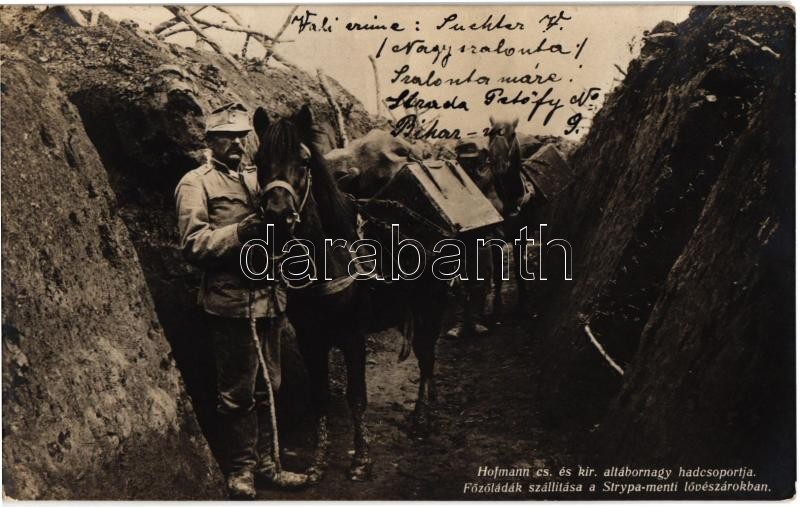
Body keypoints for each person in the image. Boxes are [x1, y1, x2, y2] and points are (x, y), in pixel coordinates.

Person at [174, 102, 306, 499]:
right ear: (210, 140)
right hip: (231, 303)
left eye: (241, 137)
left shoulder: (257, 177)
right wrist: (240, 232)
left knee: (271, 385)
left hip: (270, 300)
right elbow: (193, 245)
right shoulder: (195, 183)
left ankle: (269, 464)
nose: (236, 143)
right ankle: (241, 470)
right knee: (237, 394)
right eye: (226, 137)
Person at [445, 139, 496, 339]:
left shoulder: (486, 180)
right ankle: (459, 321)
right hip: (457, 237)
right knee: (457, 280)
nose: (468, 163)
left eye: (471, 159)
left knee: (480, 279)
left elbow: (496, 205)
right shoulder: (447, 180)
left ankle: (475, 319)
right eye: (464, 159)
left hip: (480, 235)